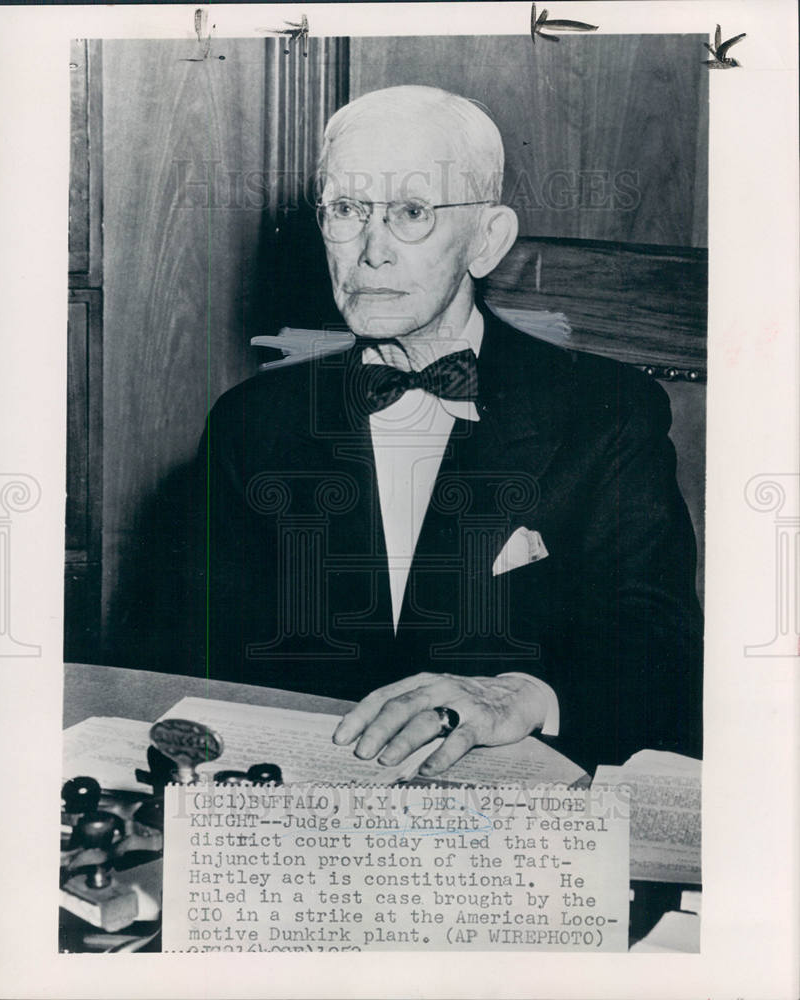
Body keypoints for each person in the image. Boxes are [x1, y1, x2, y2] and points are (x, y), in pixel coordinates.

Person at [199, 85, 703, 774]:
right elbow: (194, 655)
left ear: (487, 240)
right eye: (346, 210)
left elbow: (660, 649)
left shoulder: (605, 413)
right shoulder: (250, 423)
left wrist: (527, 696)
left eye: (411, 212)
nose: (370, 251)